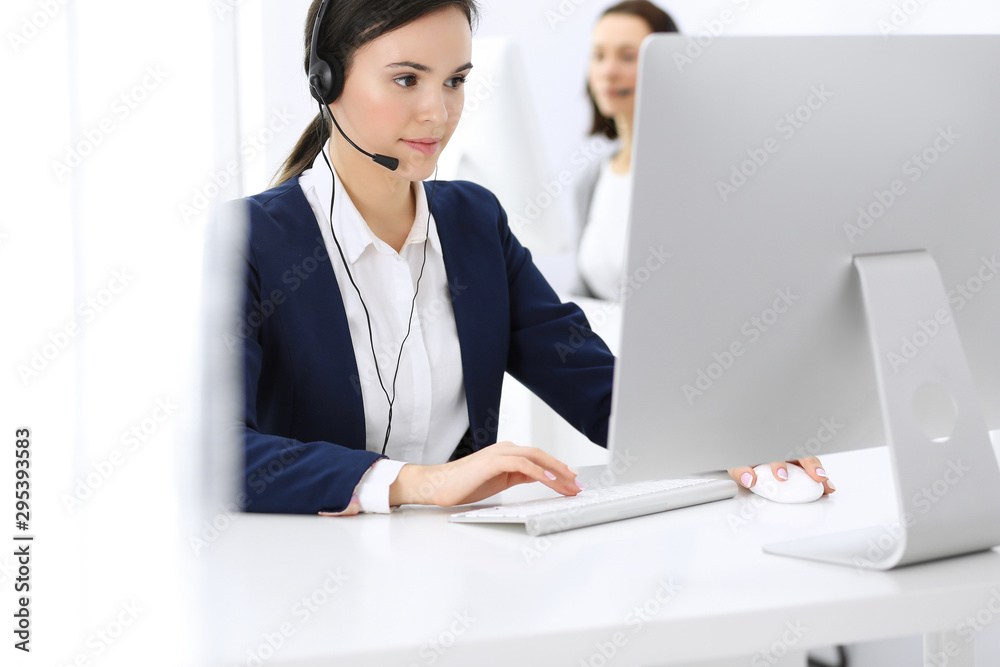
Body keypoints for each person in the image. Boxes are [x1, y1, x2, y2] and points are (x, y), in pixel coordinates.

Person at [234, 0, 834, 517]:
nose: (438, 114)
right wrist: (417, 483)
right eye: (406, 79)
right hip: (315, 577)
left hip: (461, 571)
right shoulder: (250, 238)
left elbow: (589, 378)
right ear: (325, 79)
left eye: (454, 80)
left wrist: (726, 439)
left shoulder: (473, 222)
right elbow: (218, 451)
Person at [574, 1, 678, 301]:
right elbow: (584, 293)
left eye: (628, 56)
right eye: (598, 56)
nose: (608, 71)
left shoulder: (687, 175)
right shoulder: (592, 178)